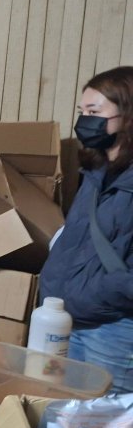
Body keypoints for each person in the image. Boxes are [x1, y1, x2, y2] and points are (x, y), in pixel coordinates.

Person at [40, 66, 133, 393]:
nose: (84, 121)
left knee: (103, 417)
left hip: (114, 329)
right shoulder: (96, 170)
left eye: (94, 112)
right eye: (82, 112)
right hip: (67, 318)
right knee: (57, 409)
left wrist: (100, 294)